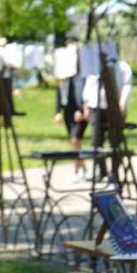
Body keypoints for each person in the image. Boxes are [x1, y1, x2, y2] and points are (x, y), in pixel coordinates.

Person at [82, 58, 134, 180]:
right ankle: (101, 170)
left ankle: (114, 172)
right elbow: (89, 83)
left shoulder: (123, 66)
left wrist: (122, 102)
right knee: (96, 141)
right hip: (96, 107)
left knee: (115, 141)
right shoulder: (95, 65)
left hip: (114, 107)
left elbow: (127, 85)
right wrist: (86, 104)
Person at [53, 44, 88, 180]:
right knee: (74, 142)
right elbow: (58, 94)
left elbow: (85, 94)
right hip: (68, 111)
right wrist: (57, 112)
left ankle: (76, 171)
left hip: (80, 112)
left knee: (75, 139)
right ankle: (83, 167)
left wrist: (81, 110)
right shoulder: (63, 76)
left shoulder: (83, 75)